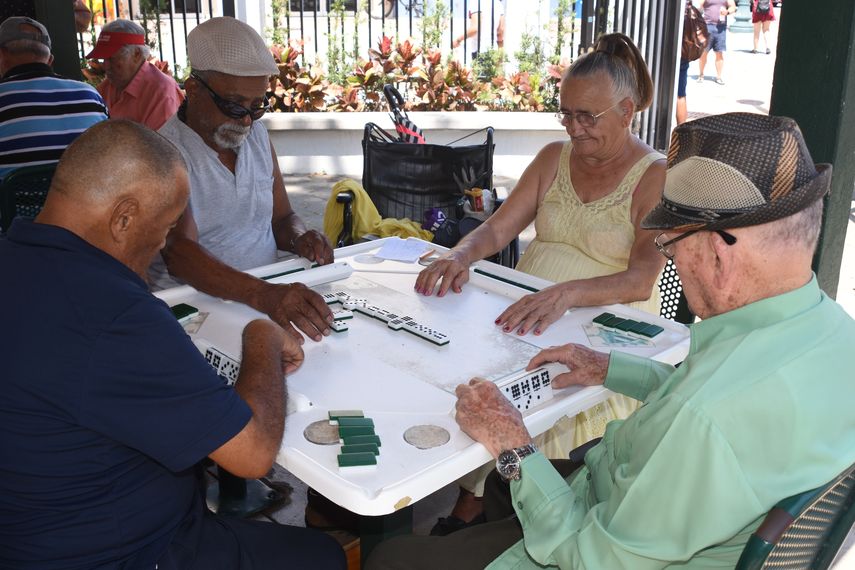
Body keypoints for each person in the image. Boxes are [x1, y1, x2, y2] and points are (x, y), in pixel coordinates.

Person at [367, 112, 855, 570]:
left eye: (670, 246)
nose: (672, 264)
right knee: (503, 488)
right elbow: (703, 399)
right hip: (642, 507)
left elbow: (590, 558)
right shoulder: (831, 332)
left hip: (594, 542)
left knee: (393, 557)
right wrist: (609, 368)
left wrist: (513, 446)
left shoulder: (703, 420)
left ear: (719, 255)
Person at [0, 120, 346, 569]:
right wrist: (261, 335)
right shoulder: (116, 314)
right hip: (127, 552)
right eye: (164, 228)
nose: (162, 245)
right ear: (124, 218)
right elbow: (253, 455)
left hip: (31, 532)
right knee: (322, 556)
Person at [415, 32, 666, 534]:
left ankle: (532, 518)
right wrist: (460, 253)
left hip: (604, 326)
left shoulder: (655, 175)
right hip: (532, 315)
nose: (574, 128)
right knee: (490, 389)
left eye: (586, 117)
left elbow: (642, 278)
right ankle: (476, 502)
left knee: (556, 421)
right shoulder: (554, 157)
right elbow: (498, 228)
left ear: (626, 111)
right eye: (565, 114)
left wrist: (568, 293)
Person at [150, 17, 335, 344]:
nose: (247, 120)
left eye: (257, 105)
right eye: (234, 105)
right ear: (193, 89)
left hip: (264, 292)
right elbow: (180, 254)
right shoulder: (164, 153)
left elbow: (282, 218)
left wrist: (299, 238)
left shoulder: (257, 136)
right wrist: (264, 294)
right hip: (194, 311)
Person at [0, 17, 107, 180]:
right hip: (84, 195)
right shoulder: (90, 95)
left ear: (1, 55)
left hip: (17, 197)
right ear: (50, 60)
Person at [85, 19, 183, 130]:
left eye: (112, 59)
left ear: (137, 54)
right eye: (104, 59)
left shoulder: (161, 91)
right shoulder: (106, 88)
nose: (106, 66)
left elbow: (160, 141)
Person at [697, 0, 735, 85]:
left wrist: (727, 11)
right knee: (704, 52)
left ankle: (719, 77)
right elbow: (698, 5)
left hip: (721, 27)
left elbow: (733, 6)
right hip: (707, 26)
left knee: (719, 53)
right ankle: (701, 74)